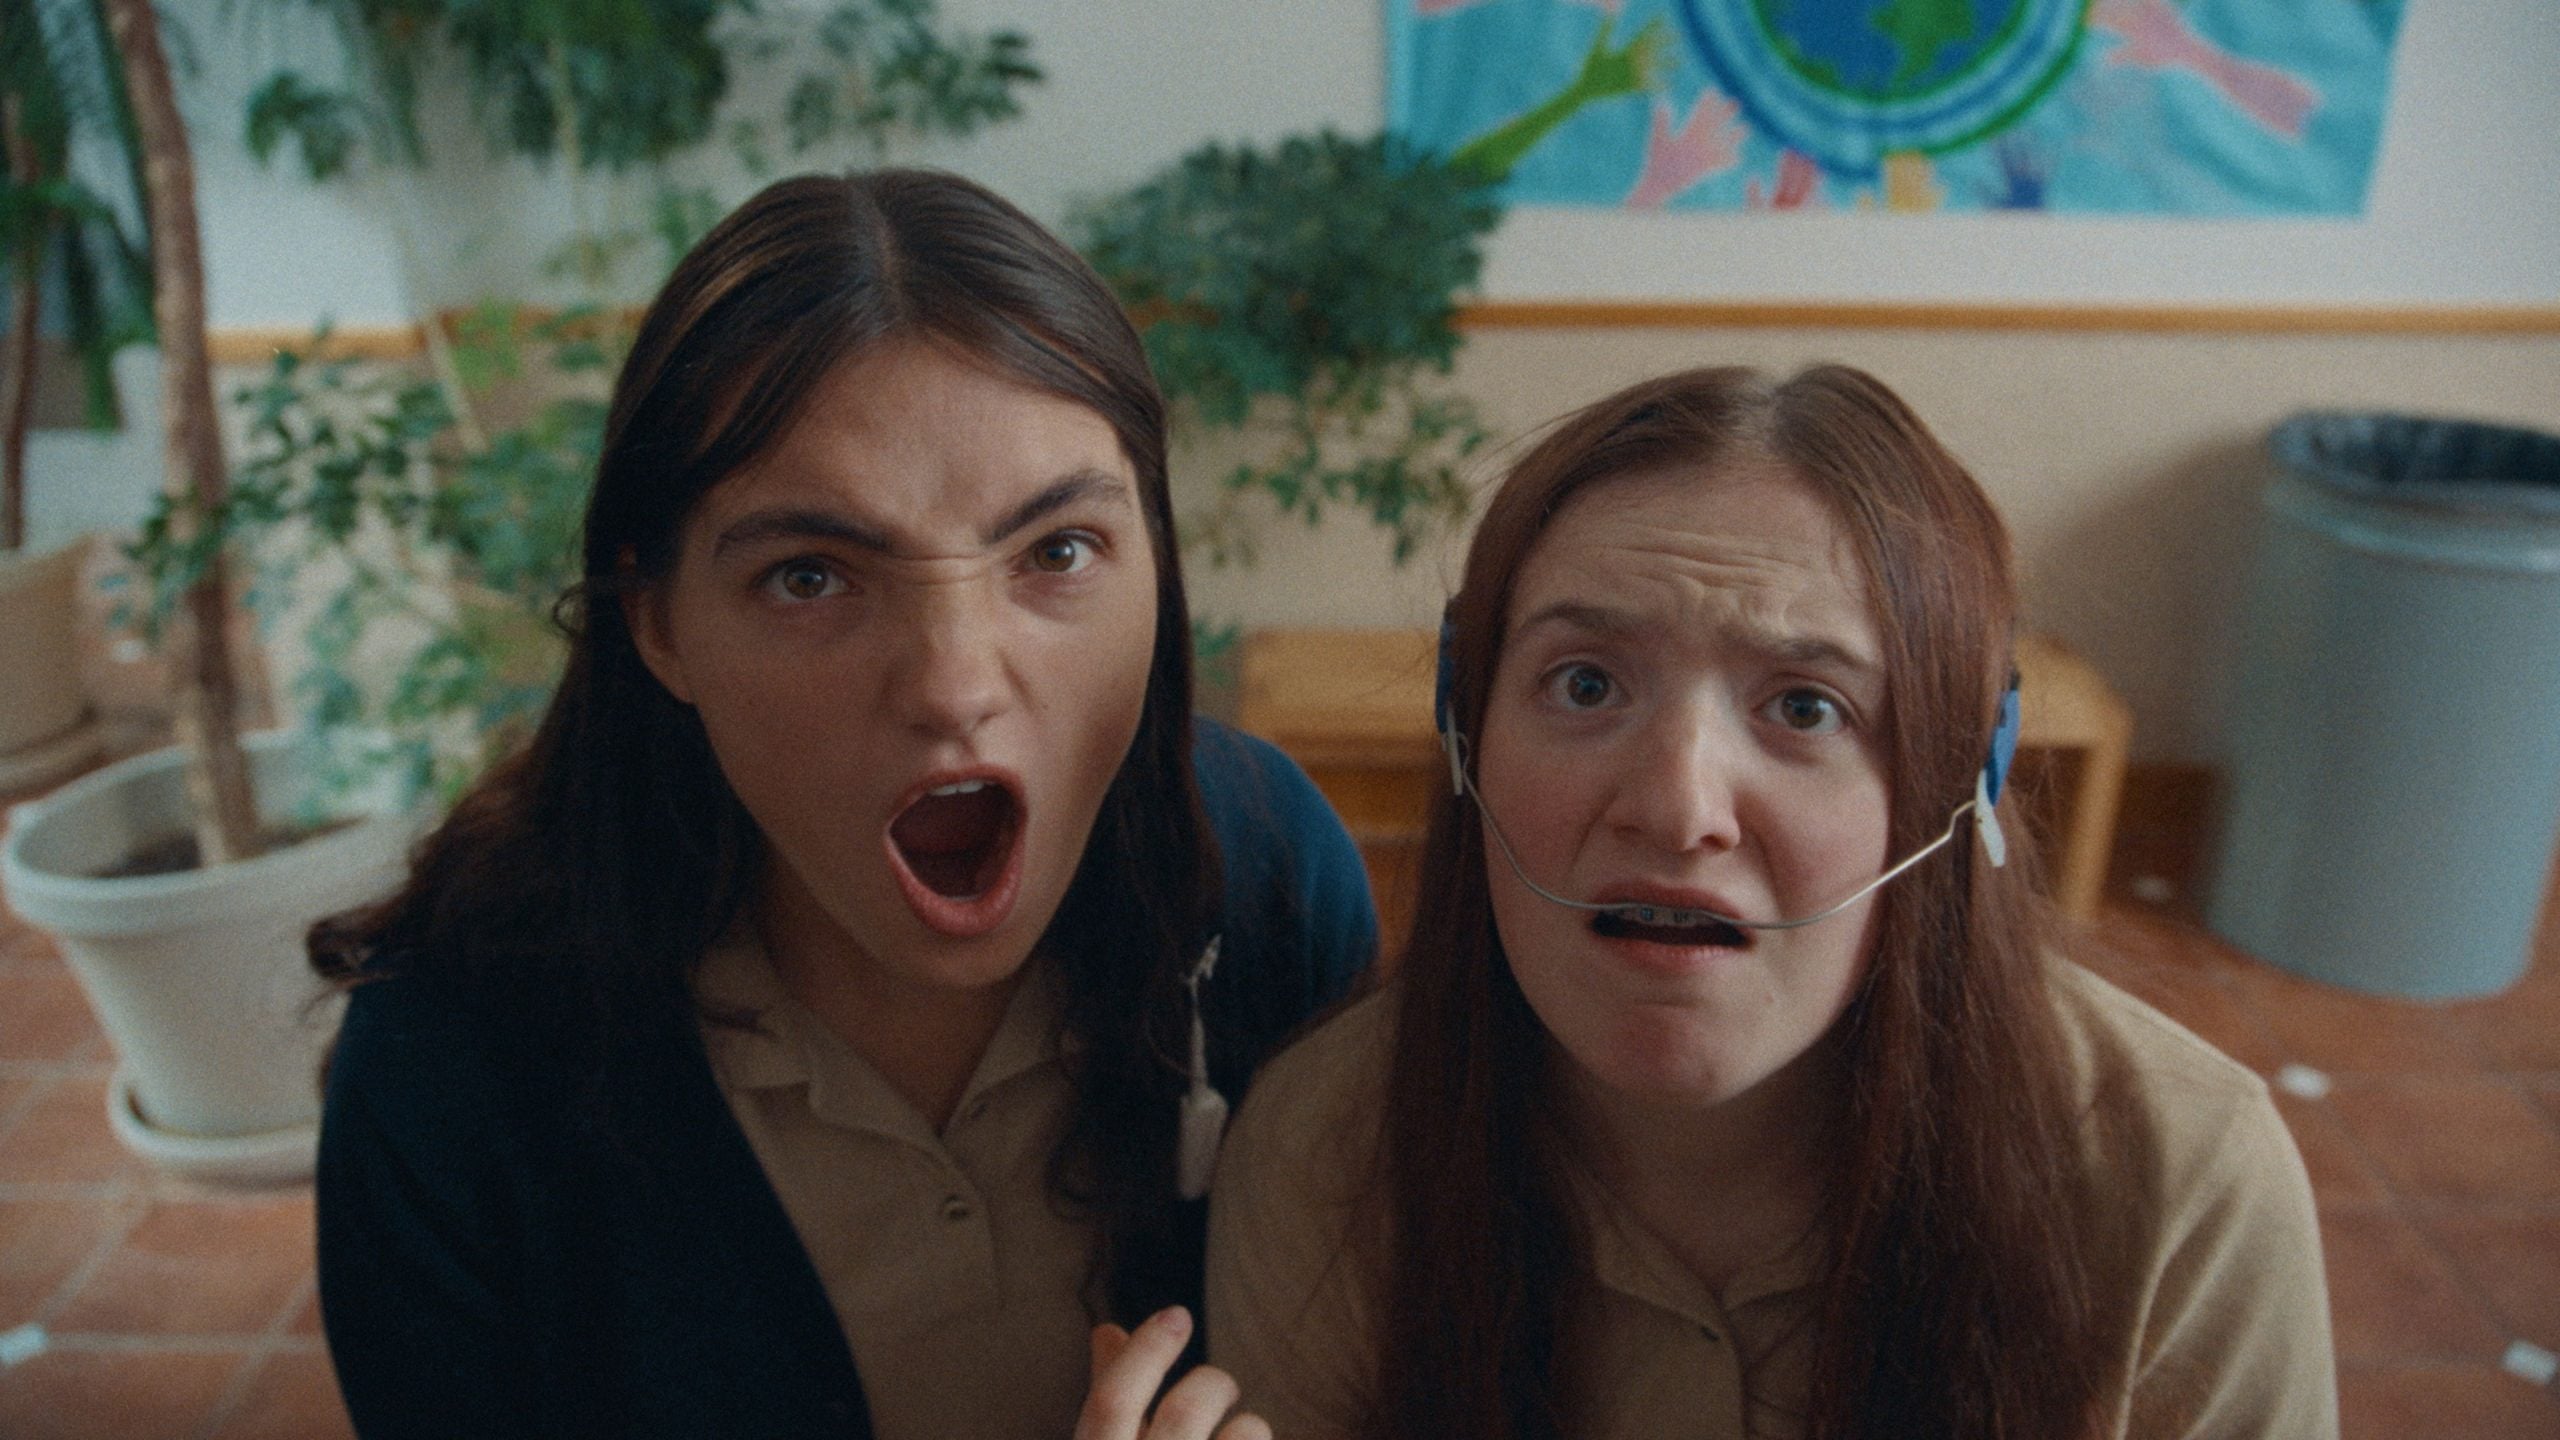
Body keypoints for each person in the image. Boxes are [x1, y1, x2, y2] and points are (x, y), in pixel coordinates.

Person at [311, 169, 1374, 1440]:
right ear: (655, 622)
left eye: (1057, 552)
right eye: (810, 575)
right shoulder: (449, 1071)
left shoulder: (1264, 880)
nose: (955, 685)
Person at [1206, 364, 2334, 1440]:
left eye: (1804, 707)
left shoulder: (2182, 1182)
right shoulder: (1324, 1155)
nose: (1677, 807)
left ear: (1963, 776)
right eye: (1585, 683)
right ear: (1465, 731)